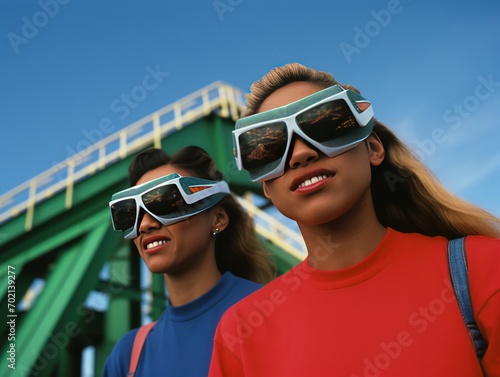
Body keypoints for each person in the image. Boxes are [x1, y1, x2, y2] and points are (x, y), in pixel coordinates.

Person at [208, 63, 500, 376]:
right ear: (266, 186)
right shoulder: (240, 332)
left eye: (325, 124)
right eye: (269, 147)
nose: (300, 153)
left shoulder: (482, 270)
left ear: (373, 148)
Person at [103, 146, 275, 376]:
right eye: (130, 213)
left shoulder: (274, 312)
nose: (144, 225)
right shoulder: (127, 356)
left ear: (218, 217)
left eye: (165, 201)